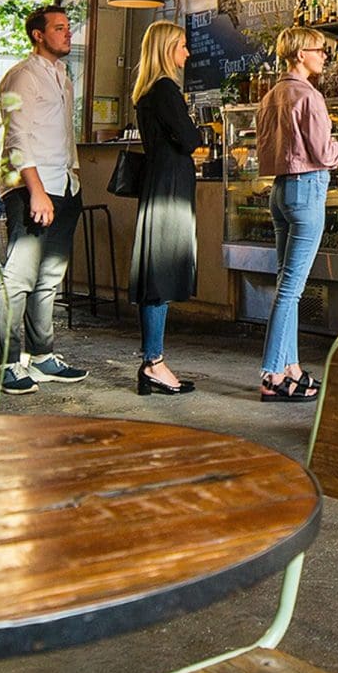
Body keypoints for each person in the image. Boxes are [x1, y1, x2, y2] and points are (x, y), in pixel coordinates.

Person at [0, 4, 88, 394]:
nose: (68, 34)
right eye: (59, 28)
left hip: (64, 184)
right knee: (19, 276)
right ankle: (5, 363)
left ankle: (41, 355)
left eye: (68, 28)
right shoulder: (22, 77)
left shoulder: (62, 75)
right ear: (38, 35)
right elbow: (17, 139)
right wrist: (35, 191)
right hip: (34, 187)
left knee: (50, 277)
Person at [256, 26, 338, 401]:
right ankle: (272, 375)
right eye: (319, 49)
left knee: (285, 285)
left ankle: (291, 366)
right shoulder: (309, 96)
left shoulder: (271, 96)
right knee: (291, 292)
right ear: (299, 55)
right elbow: (324, 153)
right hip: (306, 189)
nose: (324, 55)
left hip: (279, 191)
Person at [129, 21, 199, 396]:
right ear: (167, 48)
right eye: (182, 46)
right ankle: (153, 362)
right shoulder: (167, 90)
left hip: (158, 185)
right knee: (161, 277)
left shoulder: (146, 93)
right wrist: (196, 130)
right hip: (170, 189)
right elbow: (190, 139)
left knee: (157, 274)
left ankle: (153, 360)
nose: (187, 53)